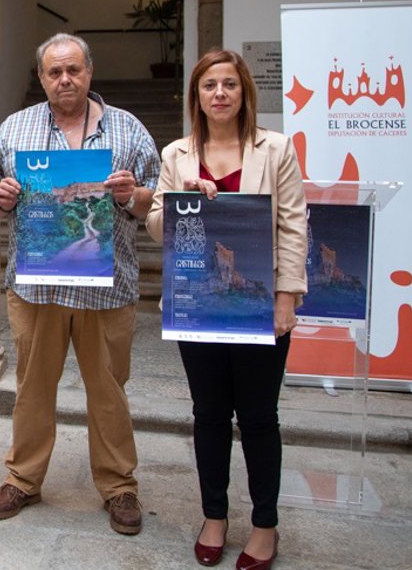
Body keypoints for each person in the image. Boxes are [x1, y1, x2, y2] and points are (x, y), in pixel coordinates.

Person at [0, 33, 159, 535]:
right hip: (37, 289)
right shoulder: (16, 128)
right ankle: (23, 478)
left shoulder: (128, 129)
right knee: (33, 389)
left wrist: (131, 194)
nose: (65, 80)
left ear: (89, 71)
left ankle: (119, 486)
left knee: (108, 391)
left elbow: (158, 200)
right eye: (54, 72)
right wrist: (1, 198)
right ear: (41, 78)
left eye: (73, 70)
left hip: (107, 289)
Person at [145, 49, 306, 570]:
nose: (219, 93)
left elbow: (293, 225)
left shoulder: (276, 149)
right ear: (196, 95)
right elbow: (155, 227)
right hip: (197, 305)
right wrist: (180, 199)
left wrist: (286, 298)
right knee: (209, 415)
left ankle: (264, 525)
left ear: (243, 93)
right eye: (209, 85)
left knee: (259, 418)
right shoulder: (177, 154)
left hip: (260, 306)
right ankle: (214, 516)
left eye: (229, 84)